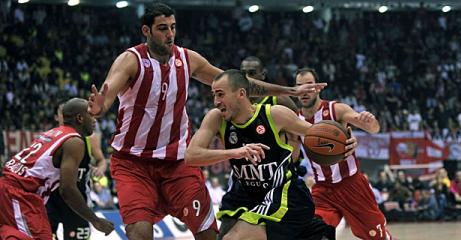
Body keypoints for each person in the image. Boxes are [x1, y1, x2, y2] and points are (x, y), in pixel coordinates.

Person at [87, 3, 325, 240]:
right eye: (162, 28)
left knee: (209, 234)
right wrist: (99, 108)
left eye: (173, 27)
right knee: (140, 234)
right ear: (146, 31)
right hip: (133, 162)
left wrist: (290, 91)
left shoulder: (187, 59)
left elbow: (238, 83)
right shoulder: (130, 60)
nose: (170, 34)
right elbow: (104, 99)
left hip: (176, 161)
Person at [185, 70, 357, 240]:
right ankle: (314, 232)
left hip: (284, 195)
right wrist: (236, 152)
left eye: (221, 95)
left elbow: (316, 133)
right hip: (246, 195)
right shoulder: (216, 118)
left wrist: (345, 141)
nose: (216, 102)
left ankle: (312, 231)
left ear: (241, 94)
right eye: (214, 95)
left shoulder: (274, 115)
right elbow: (191, 155)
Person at [295, 68, 393, 240]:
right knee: (314, 233)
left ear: (318, 88)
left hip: (352, 185)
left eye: (309, 86)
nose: (304, 91)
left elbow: (373, 129)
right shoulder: (294, 119)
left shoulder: (336, 109)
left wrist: (369, 122)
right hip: (322, 190)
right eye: (299, 86)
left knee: (376, 237)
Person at [0, 98, 114, 239]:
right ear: (80, 118)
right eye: (90, 115)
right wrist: (95, 220)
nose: (94, 120)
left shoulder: (53, 133)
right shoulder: (74, 141)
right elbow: (67, 189)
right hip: (19, 194)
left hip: (15, 190)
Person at [46, 102, 108, 240]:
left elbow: (102, 160)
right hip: (52, 201)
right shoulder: (50, 137)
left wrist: (99, 169)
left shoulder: (89, 139)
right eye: (63, 115)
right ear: (57, 117)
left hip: (78, 203)